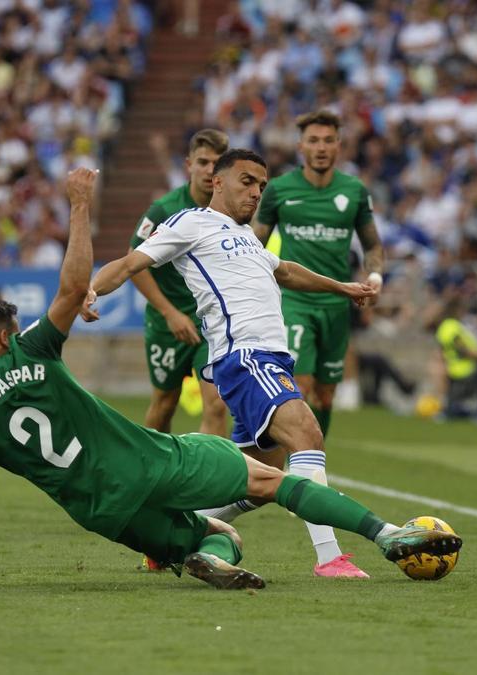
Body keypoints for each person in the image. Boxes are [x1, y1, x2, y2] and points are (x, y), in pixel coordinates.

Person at [0, 168, 461, 590]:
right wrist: (81, 206)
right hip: (149, 458)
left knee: (223, 530)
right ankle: (384, 538)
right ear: (2, 339)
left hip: (104, 514)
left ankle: (203, 553)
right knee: (282, 470)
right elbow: (77, 285)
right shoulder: (31, 353)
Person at [86, 149, 381, 578]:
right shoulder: (189, 223)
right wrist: (90, 292)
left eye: (261, 185)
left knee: (262, 479)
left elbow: (285, 271)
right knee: (307, 433)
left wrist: (341, 288)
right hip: (244, 355)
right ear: (217, 181)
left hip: (271, 356)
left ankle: (169, 536)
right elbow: (131, 261)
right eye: (247, 181)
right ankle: (329, 558)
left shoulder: (247, 237)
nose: (257, 192)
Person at [249, 110, 384, 440]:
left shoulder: (353, 191)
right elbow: (253, 245)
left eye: (327, 140)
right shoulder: (279, 189)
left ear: (339, 145)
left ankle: (313, 462)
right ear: (300, 146)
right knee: (300, 386)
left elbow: (372, 245)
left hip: (338, 304)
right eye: (313, 140)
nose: (320, 147)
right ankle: (297, 463)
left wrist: (376, 276)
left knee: (325, 395)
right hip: (295, 301)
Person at [128, 129, 230, 436]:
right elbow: (133, 263)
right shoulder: (164, 209)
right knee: (165, 403)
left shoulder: (231, 210)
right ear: (189, 165)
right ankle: (152, 475)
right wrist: (170, 313)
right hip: (168, 323)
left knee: (216, 403)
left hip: (210, 322)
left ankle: (214, 481)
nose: (210, 170)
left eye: (217, 163)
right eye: (203, 162)